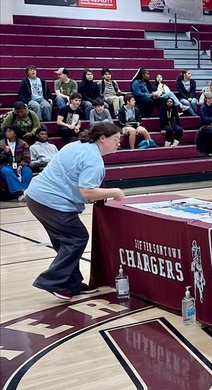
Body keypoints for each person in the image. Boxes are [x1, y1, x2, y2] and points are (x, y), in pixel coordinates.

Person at [25, 123, 124, 300]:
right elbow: (86, 191)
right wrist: (115, 192)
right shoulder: (93, 160)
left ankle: (72, 284)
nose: (119, 143)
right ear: (102, 138)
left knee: (65, 242)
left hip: (36, 197)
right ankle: (53, 281)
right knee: (77, 237)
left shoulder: (79, 145)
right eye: (116, 139)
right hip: (52, 202)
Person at [0, 125, 33, 199]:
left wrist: (20, 166)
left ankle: (25, 192)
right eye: (7, 131)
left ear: (15, 133)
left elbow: (27, 158)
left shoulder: (23, 143)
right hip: (5, 165)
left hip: (19, 164)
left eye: (10, 131)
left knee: (27, 171)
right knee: (7, 171)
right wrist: (4, 153)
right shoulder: (1, 144)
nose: (7, 132)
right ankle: (20, 191)